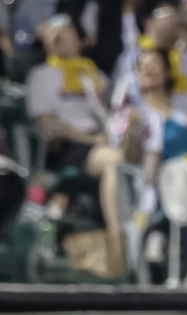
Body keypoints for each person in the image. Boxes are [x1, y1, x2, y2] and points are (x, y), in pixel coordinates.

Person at [27, 14, 126, 278]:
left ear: (81, 39)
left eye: (66, 30)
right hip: (69, 148)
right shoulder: (42, 75)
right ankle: (120, 245)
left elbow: (116, 115)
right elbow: (48, 124)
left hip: (104, 141)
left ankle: (149, 240)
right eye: (53, 32)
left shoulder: (95, 75)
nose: (58, 35)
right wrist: (93, 140)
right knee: (114, 162)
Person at [113, 48, 187, 259]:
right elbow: (131, 159)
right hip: (160, 183)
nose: (148, 70)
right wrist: (132, 133)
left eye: (154, 65)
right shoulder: (135, 115)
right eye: (142, 68)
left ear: (168, 72)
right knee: (180, 183)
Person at [112, 0, 187, 110]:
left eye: (177, 11)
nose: (175, 18)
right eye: (168, 12)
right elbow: (132, 101)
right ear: (149, 23)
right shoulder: (133, 57)